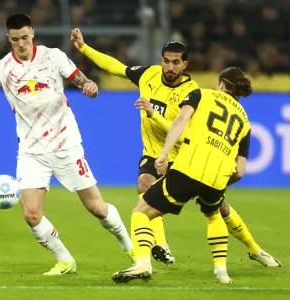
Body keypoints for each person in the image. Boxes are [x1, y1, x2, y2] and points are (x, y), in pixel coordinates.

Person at [71, 28, 282, 269]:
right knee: (144, 186)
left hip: (184, 158)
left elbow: (182, 129)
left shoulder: (192, 92)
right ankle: (161, 245)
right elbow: (116, 67)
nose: (169, 67)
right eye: (166, 61)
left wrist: (153, 113)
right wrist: (85, 48)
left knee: (219, 208)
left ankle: (255, 250)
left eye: (175, 63)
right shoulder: (148, 75)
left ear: (185, 65)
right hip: (154, 154)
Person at [0, 13, 133, 276]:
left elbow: (80, 78)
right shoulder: (3, 67)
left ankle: (130, 248)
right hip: (31, 151)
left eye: (25, 37)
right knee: (31, 214)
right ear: (8, 38)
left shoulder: (53, 56)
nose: (21, 44)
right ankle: (65, 260)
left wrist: (89, 86)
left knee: (96, 207)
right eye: (15, 39)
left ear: (33, 33)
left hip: (65, 143)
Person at [111, 67, 280, 284]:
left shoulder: (201, 94)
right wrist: (219, 182)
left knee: (140, 212)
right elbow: (239, 170)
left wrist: (163, 154)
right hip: (218, 175)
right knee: (214, 212)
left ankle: (143, 264)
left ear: (221, 84)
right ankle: (222, 272)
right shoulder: (245, 122)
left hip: (189, 168)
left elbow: (180, 122)